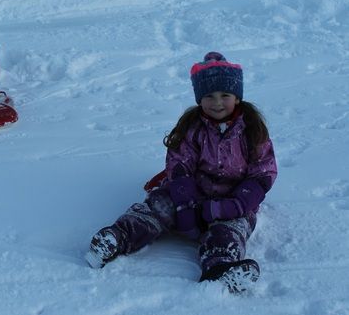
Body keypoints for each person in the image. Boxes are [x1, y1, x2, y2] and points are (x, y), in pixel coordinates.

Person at [85, 52, 277, 293]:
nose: (217, 103)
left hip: (232, 201)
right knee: (157, 207)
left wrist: (238, 204)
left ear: (237, 98)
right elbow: (179, 163)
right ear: (199, 99)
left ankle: (220, 269)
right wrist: (185, 204)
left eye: (225, 95)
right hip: (190, 195)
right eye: (209, 96)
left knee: (230, 231)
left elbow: (263, 173)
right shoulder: (192, 127)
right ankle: (116, 239)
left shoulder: (252, 131)